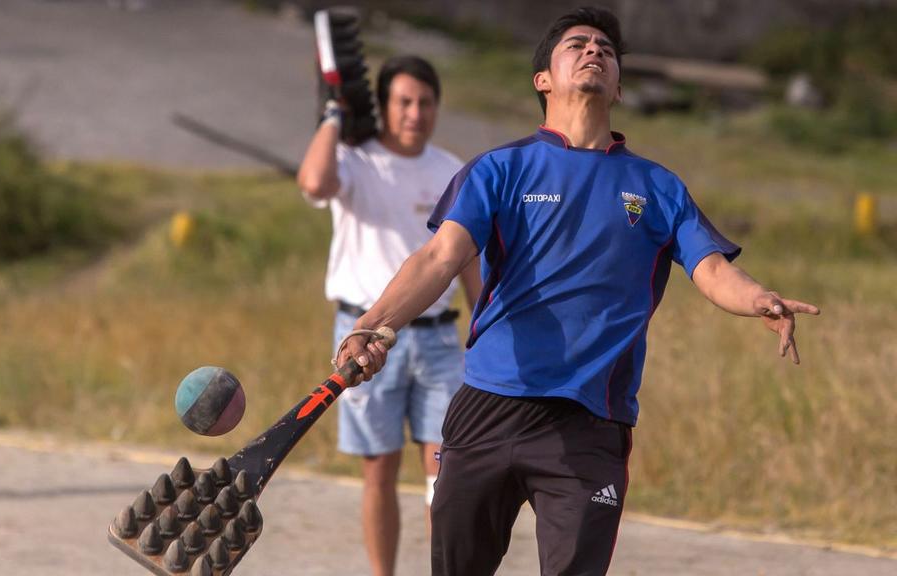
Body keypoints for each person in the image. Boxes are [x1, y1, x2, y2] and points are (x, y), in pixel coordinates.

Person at [334, 7, 820, 576]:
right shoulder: (499, 169)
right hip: (489, 406)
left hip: (591, 422)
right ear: (543, 78)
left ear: (617, 86)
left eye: (606, 50)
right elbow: (440, 257)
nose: (594, 51)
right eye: (577, 45)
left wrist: (759, 297)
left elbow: (711, 270)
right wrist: (375, 324)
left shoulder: (657, 186)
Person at [296, 55, 482, 576]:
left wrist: (484, 328)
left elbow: (467, 260)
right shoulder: (356, 160)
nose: (415, 113)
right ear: (382, 106)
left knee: (444, 470)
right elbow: (312, 183)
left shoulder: (451, 169)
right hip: (364, 341)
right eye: (403, 101)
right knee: (379, 468)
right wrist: (334, 116)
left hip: (440, 341)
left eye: (425, 102)